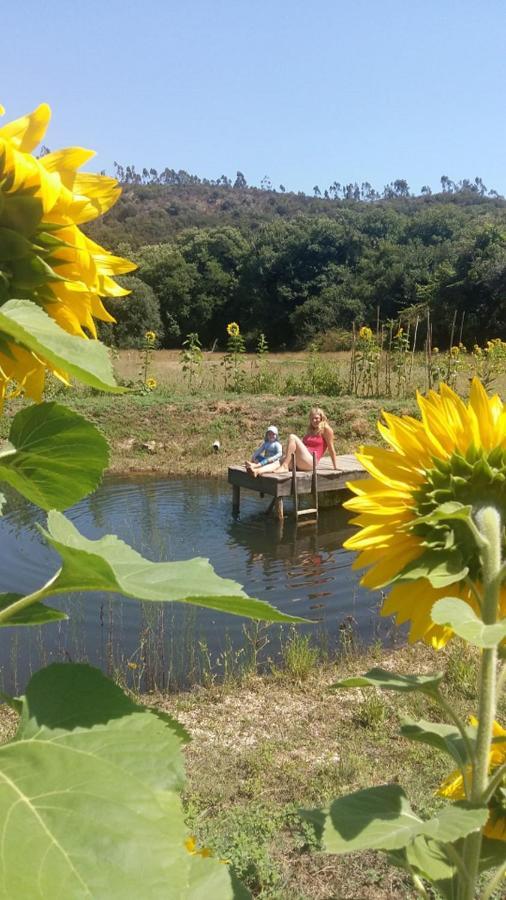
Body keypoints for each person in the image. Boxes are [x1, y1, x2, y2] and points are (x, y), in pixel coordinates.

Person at [257, 407, 338, 473]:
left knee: (292, 437)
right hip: (302, 460)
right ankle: (257, 470)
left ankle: (285, 466)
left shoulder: (326, 429)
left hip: (311, 462)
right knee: (280, 461)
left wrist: (335, 466)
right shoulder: (311, 430)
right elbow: (302, 447)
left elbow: (331, 448)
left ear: (321, 418)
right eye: (312, 419)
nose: (314, 421)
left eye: (316, 418)